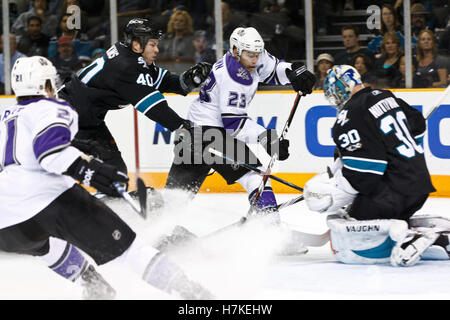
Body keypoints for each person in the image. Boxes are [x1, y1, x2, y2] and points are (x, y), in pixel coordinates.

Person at [0, 55, 212, 300]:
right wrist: (94, 173)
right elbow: (49, 153)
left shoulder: (6, 118)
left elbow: (30, 148)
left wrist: (82, 145)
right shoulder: (53, 107)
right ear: (45, 85)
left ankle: (94, 287)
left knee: (45, 246)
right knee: (131, 252)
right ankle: (197, 296)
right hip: (52, 202)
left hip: (7, 223)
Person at [165, 27, 315, 229]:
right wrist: (268, 139)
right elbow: (234, 125)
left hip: (192, 132)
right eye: (249, 55)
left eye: (256, 54)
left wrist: (294, 72)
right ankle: (273, 231)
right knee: (255, 176)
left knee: (177, 195)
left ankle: (158, 230)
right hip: (208, 135)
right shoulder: (233, 77)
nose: (254, 59)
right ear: (235, 50)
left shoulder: (248, 54)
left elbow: (273, 69)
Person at [303, 65, 450, 267]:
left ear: (342, 88)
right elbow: (417, 124)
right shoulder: (384, 95)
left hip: (391, 193)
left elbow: (366, 175)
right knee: (367, 209)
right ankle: (437, 238)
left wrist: (337, 196)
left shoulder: (347, 117)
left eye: (335, 94)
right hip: (418, 188)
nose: (335, 100)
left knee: (351, 225)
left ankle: (408, 238)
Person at [58, 18, 211, 175]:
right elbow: (154, 107)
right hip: (66, 118)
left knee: (116, 173)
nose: (157, 50)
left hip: (85, 118)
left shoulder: (131, 57)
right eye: (152, 44)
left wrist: (190, 80)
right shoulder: (125, 67)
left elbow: (162, 81)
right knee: (67, 169)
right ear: (137, 44)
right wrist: (182, 126)